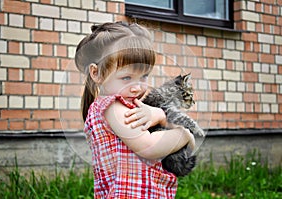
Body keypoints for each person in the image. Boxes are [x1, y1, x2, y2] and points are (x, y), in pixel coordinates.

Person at [75, 21, 195, 199]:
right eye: (126, 77)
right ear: (96, 73)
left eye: (144, 76)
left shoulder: (122, 106)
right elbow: (149, 147)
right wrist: (184, 134)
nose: (137, 87)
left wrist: (159, 115)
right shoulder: (113, 107)